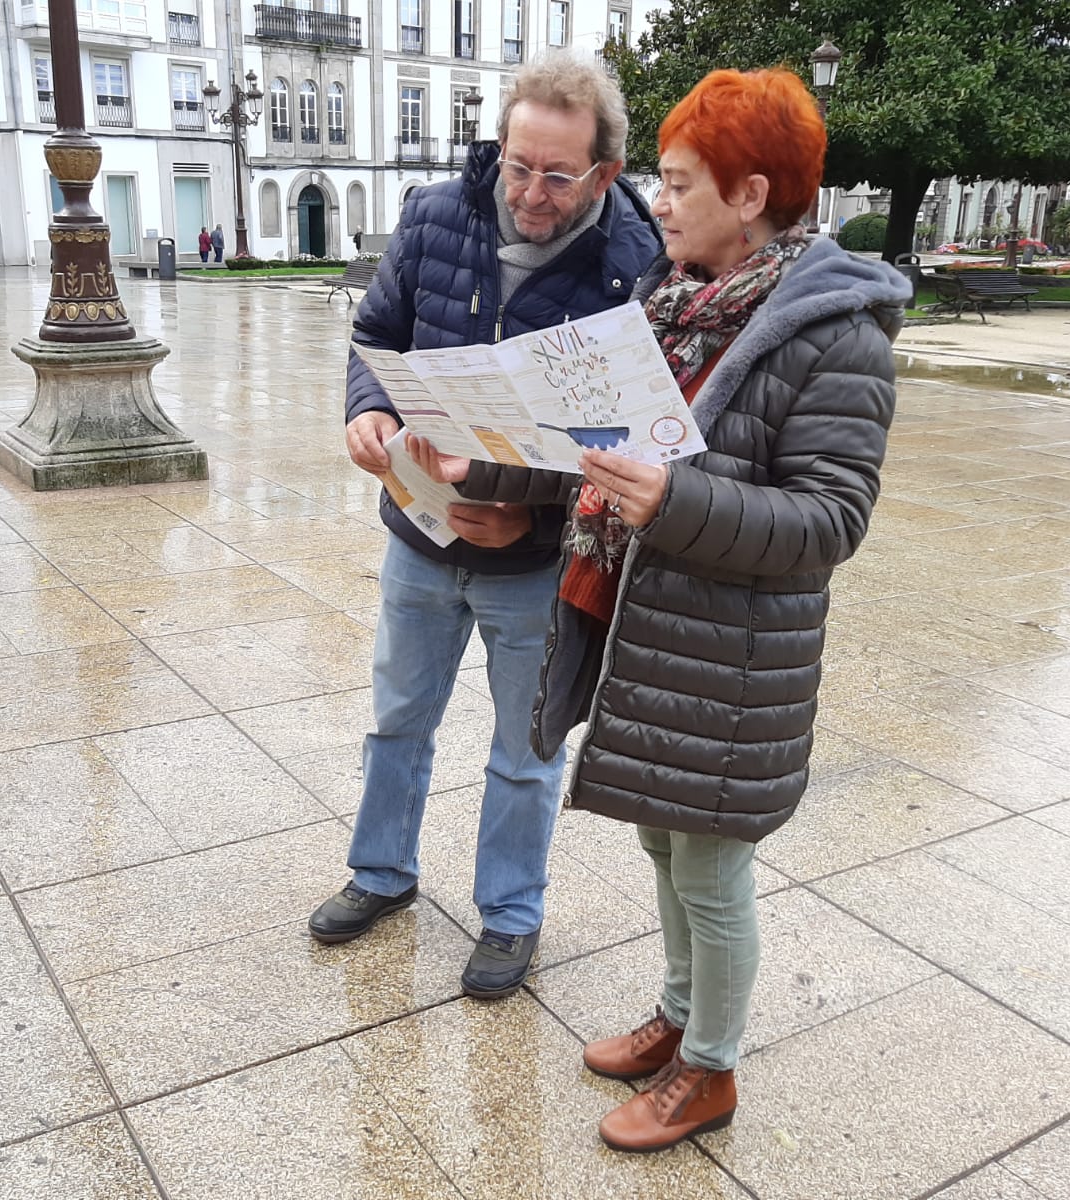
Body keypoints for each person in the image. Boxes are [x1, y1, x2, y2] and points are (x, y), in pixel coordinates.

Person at [407, 66, 907, 1149]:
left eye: (680, 183)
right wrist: (485, 462)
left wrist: (677, 500)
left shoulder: (835, 331)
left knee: (713, 867)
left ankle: (712, 1072)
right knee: (661, 844)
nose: (658, 202)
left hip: (732, 654)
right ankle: (678, 1019)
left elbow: (829, 523)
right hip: (646, 626)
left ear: (750, 193)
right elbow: (585, 454)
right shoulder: (666, 303)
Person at [306, 55, 662, 1000]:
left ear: (602, 172)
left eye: (556, 175)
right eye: (516, 163)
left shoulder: (636, 261)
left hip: (535, 555)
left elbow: (624, 437)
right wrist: (367, 409)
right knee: (397, 720)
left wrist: (522, 506)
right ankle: (380, 874)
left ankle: (510, 915)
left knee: (524, 749)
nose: (529, 191)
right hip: (421, 531)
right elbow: (378, 335)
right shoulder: (435, 213)